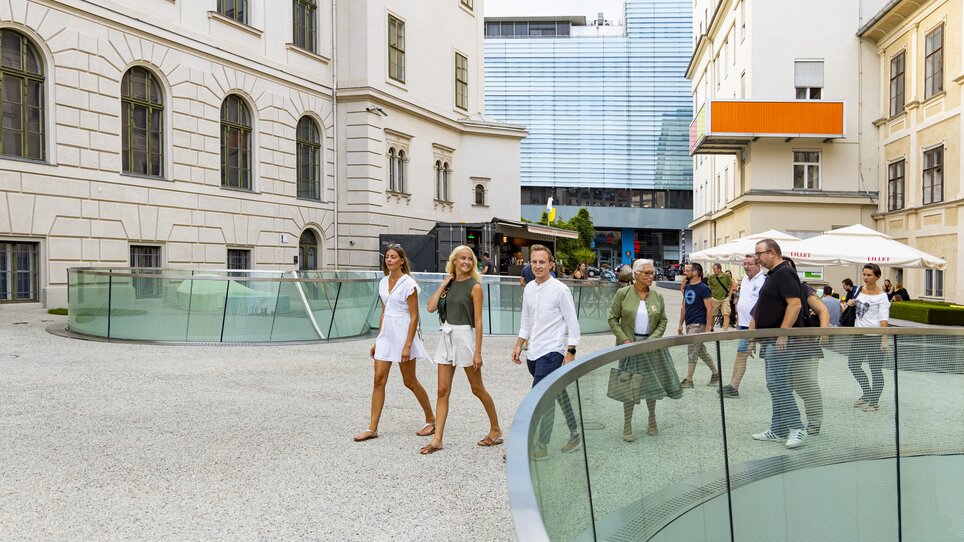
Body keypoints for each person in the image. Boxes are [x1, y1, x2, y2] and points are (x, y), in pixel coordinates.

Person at [421, 246, 501, 454]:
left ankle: (495, 429)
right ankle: (437, 439)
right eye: (462, 258)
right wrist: (444, 283)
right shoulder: (448, 284)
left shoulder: (475, 287)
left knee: (477, 388)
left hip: (464, 337)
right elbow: (430, 308)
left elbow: (479, 321)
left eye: (469, 259)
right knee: (442, 390)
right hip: (446, 336)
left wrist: (478, 352)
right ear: (454, 261)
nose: (466, 262)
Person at [354, 244, 435, 442]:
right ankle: (372, 428)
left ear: (401, 261)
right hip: (386, 335)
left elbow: (414, 316)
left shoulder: (408, 283)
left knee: (409, 381)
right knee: (378, 380)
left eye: (393, 257)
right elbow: (384, 312)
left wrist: (407, 345)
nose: (389, 259)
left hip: (403, 333)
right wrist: (378, 339)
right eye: (387, 257)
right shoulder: (383, 282)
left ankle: (431, 419)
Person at [512, 244, 582, 461]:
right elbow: (526, 320)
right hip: (533, 352)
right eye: (534, 262)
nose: (538, 266)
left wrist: (570, 352)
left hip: (552, 352)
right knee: (557, 393)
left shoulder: (560, 290)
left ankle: (539, 445)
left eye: (542, 262)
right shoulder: (529, 288)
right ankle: (575, 433)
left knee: (540, 399)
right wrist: (519, 344)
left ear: (551, 264)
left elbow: (573, 324)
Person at [608, 259, 682, 441]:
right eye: (647, 273)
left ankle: (652, 418)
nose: (651, 276)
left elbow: (663, 320)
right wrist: (624, 340)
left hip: (651, 348)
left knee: (651, 384)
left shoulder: (657, 296)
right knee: (627, 386)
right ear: (636, 274)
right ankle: (627, 425)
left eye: (652, 273)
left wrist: (653, 339)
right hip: (629, 347)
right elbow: (612, 318)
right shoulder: (623, 294)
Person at [749, 238, 807, 449]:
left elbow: (795, 304)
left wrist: (783, 333)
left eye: (759, 253)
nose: (757, 257)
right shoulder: (775, 274)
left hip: (780, 340)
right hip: (772, 339)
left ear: (772, 253)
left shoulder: (784, 272)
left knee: (777, 384)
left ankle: (797, 427)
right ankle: (778, 428)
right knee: (774, 385)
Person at [846, 263, 890, 413]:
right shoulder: (858, 290)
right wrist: (850, 303)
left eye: (869, 275)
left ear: (877, 277)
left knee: (875, 370)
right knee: (853, 365)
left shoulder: (882, 296)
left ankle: (874, 402)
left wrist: (884, 339)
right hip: (859, 336)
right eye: (864, 274)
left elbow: (884, 319)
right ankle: (867, 393)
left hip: (875, 337)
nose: (865, 277)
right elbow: (851, 309)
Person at [720, 254, 766, 398]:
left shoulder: (764, 281)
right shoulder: (745, 278)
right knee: (741, 355)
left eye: (749, 264)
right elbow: (743, 300)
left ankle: (784, 386)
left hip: (759, 326)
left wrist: (753, 333)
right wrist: (739, 321)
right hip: (744, 326)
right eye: (744, 264)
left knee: (771, 357)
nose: (746, 267)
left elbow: (763, 306)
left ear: (758, 265)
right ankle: (733, 386)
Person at [677, 262, 720, 388]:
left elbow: (709, 309)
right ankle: (716, 373)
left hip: (698, 324)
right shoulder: (687, 287)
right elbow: (684, 306)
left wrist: (708, 328)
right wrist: (680, 324)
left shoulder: (704, 288)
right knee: (700, 351)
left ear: (695, 272)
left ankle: (689, 380)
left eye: (688, 270)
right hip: (689, 323)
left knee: (692, 350)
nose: (685, 272)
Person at [706, 263, 733, 331]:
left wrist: (729, 296)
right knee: (713, 315)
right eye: (713, 269)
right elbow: (709, 287)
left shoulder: (726, 276)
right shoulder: (711, 277)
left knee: (726, 314)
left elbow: (731, 286)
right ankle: (712, 327)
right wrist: (710, 296)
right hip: (715, 298)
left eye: (715, 269)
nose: (713, 270)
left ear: (719, 269)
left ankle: (725, 331)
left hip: (725, 298)